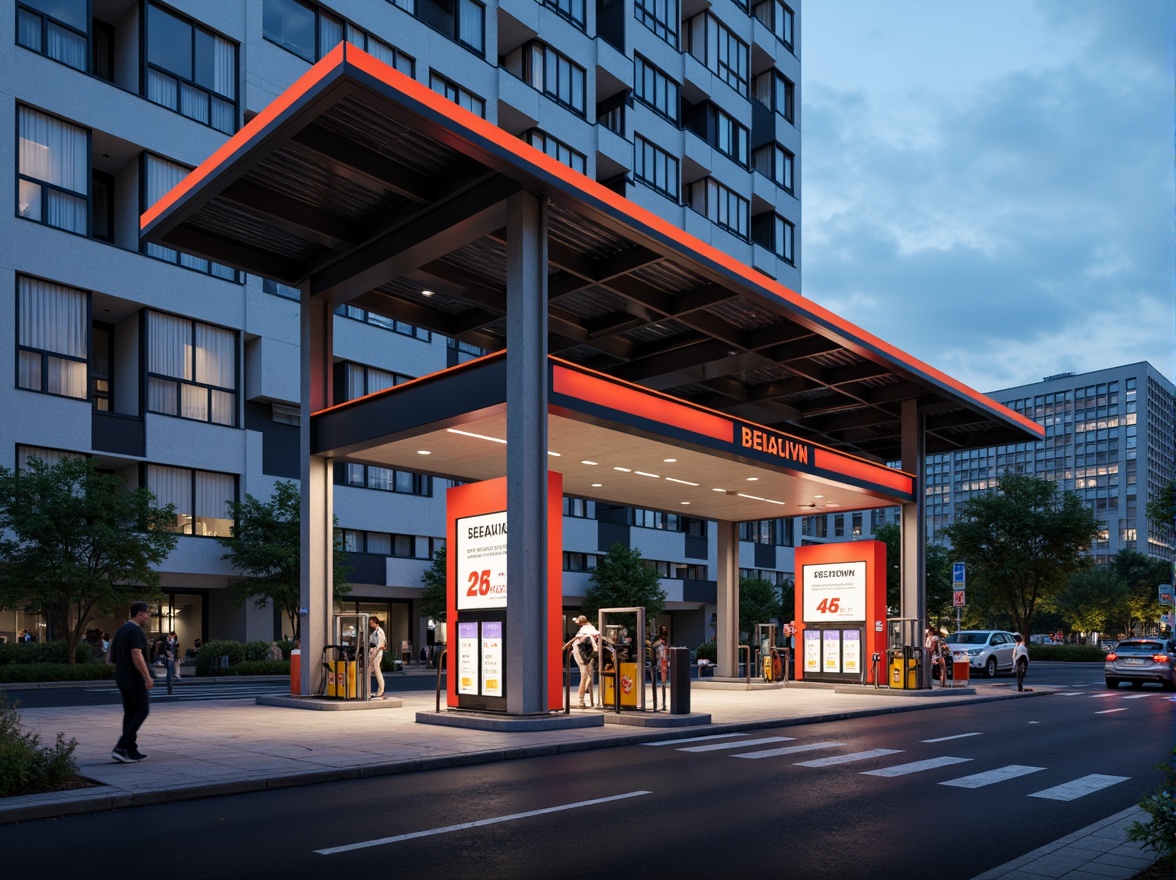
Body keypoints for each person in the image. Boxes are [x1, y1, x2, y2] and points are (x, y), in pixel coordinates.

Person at [108, 601, 154, 763]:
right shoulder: (135, 631)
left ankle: (130, 749)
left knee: (130, 712)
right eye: (147, 613)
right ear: (140, 614)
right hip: (133, 677)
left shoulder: (121, 630)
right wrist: (147, 676)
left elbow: (110, 657)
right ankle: (120, 747)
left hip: (121, 675)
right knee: (142, 710)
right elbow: (136, 653)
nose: (148, 616)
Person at [565, 615, 600, 708]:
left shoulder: (587, 630)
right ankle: (581, 699)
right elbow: (578, 640)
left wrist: (566, 647)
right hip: (583, 651)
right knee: (586, 674)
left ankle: (582, 698)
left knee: (588, 674)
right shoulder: (588, 630)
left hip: (586, 651)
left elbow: (579, 640)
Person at [368, 617, 387, 699]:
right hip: (375, 651)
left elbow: (381, 644)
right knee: (376, 670)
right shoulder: (375, 631)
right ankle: (380, 689)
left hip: (377, 652)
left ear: (376, 623)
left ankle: (381, 689)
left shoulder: (379, 631)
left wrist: (374, 653)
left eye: (372, 623)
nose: (371, 625)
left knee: (377, 669)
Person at [651, 626, 669, 710]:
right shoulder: (658, 642)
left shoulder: (665, 643)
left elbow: (667, 654)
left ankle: (664, 704)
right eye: (663, 631)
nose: (664, 633)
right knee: (657, 684)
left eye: (665, 631)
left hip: (664, 665)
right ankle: (655, 704)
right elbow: (653, 647)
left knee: (664, 684)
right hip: (657, 664)